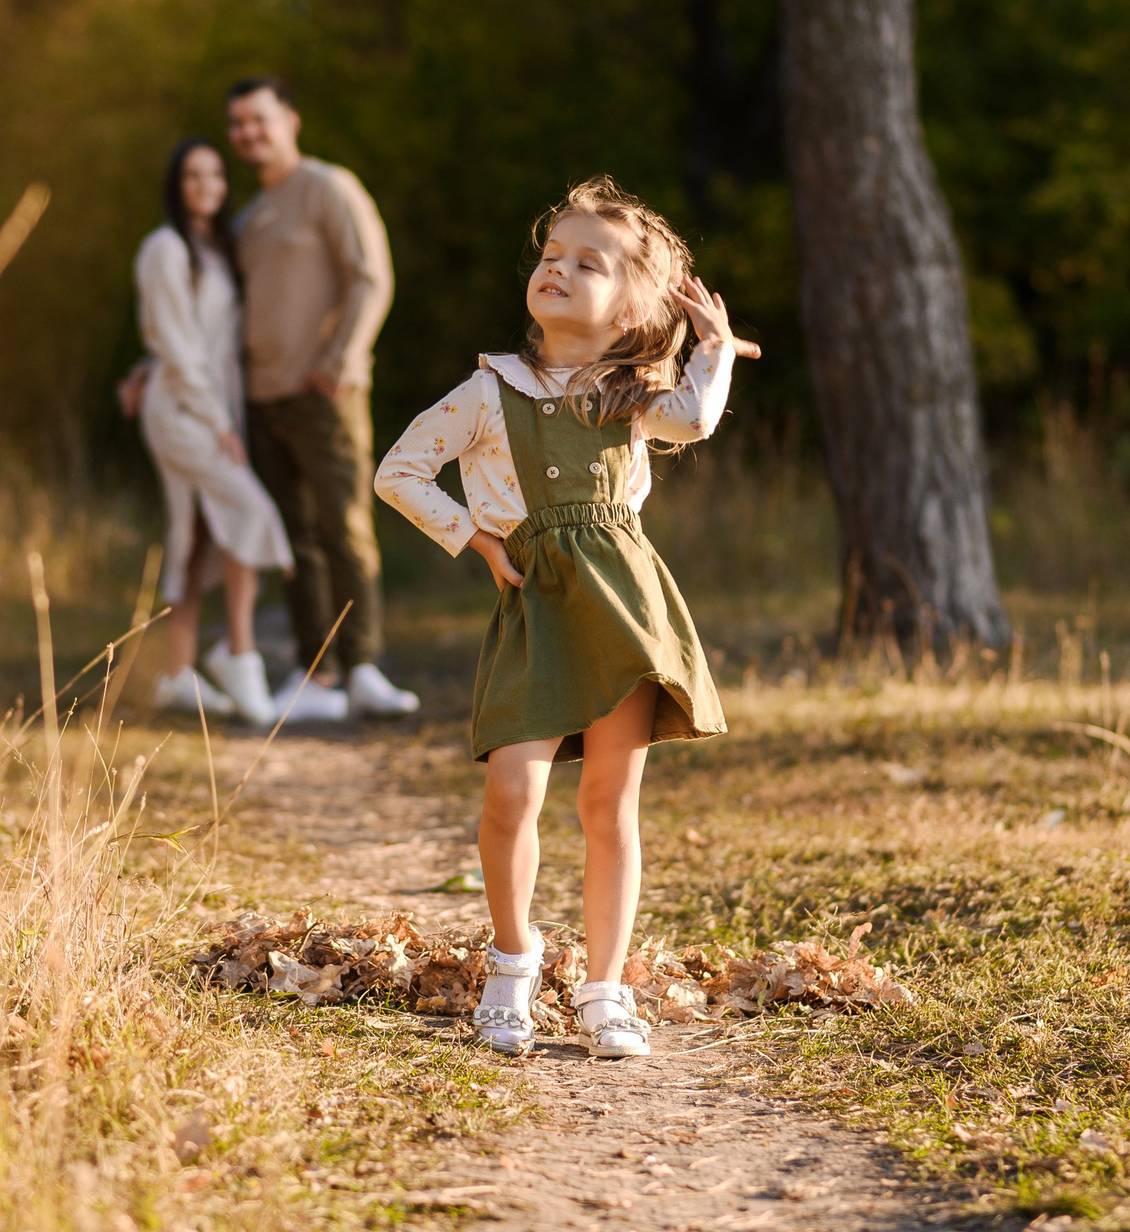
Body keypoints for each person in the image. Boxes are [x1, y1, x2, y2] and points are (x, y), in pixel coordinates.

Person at [374, 177, 743, 1058]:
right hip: (536, 605)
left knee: (609, 800)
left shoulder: (633, 392)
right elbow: (400, 469)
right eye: (550, 256)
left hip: (622, 605)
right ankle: (513, 963)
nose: (559, 269)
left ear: (630, 309)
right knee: (514, 790)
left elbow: (694, 418)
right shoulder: (490, 390)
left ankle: (606, 988)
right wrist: (474, 537)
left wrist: (714, 343)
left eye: (588, 263)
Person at [224, 77, 420, 721]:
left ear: (290, 119)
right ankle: (317, 675)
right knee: (292, 538)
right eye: (238, 125)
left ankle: (363, 666)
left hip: (324, 392)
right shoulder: (250, 217)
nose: (249, 134)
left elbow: (371, 276)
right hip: (261, 398)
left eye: (259, 119)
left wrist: (341, 361)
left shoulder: (328, 187)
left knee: (344, 527)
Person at [129, 138, 294, 726]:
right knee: (250, 510)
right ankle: (239, 654)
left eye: (215, 174)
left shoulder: (214, 249)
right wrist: (219, 423)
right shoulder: (165, 248)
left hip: (202, 403)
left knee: (196, 532)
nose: (205, 184)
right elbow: (175, 343)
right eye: (192, 175)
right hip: (184, 412)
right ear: (176, 184)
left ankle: (177, 673)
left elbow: (199, 339)